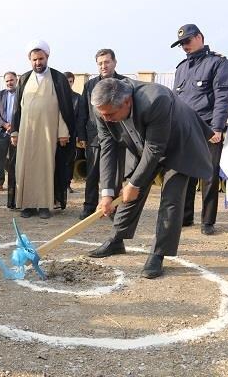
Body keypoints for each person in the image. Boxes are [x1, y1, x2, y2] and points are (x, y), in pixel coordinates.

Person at [87, 78, 214, 278]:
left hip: (180, 143)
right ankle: (116, 239)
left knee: (171, 199)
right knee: (128, 191)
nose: (106, 118)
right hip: (141, 143)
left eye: (110, 114)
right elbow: (108, 147)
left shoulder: (156, 100)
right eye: (103, 115)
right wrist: (106, 193)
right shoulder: (102, 109)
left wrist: (135, 183)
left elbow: (155, 149)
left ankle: (158, 253)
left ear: (127, 101)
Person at [171, 24, 228, 235]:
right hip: (184, 128)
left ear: (199, 37)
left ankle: (207, 221)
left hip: (208, 127)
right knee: (184, 171)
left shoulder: (218, 63)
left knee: (208, 174)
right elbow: (175, 100)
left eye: (187, 41)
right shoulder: (181, 68)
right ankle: (185, 216)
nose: (185, 46)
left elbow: (223, 97)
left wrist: (217, 127)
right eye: (181, 44)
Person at [11, 40, 75, 219]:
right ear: (29, 60)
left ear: (47, 57)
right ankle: (27, 205)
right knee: (25, 167)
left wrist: (63, 131)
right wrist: (14, 131)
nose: (38, 63)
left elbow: (65, 108)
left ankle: (45, 205)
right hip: (26, 132)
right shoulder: (23, 78)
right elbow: (17, 107)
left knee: (47, 167)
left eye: (41, 59)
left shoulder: (58, 78)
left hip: (49, 132)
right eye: (34, 60)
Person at [76, 48, 126, 220]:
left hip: (118, 137)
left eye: (107, 62)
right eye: (100, 63)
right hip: (95, 137)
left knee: (116, 174)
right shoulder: (89, 85)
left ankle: (113, 208)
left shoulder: (124, 83)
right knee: (93, 174)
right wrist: (81, 135)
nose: (103, 66)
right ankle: (89, 206)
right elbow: (83, 112)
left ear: (114, 62)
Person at [0, 71, 17, 192]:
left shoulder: (22, 94)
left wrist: (14, 126)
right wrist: (5, 124)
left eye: (11, 80)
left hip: (16, 132)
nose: (9, 82)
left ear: (16, 80)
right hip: (1, 132)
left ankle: (13, 183)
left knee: (15, 159)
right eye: (7, 81)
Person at [63, 71, 81, 194]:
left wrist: (79, 135)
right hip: (56, 135)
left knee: (69, 161)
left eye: (70, 82)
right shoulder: (55, 97)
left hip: (72, 135)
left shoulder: (78, 98)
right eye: (66, 82)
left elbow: (80, 118)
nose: (68, 84)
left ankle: (67, 184)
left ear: (73, 82)